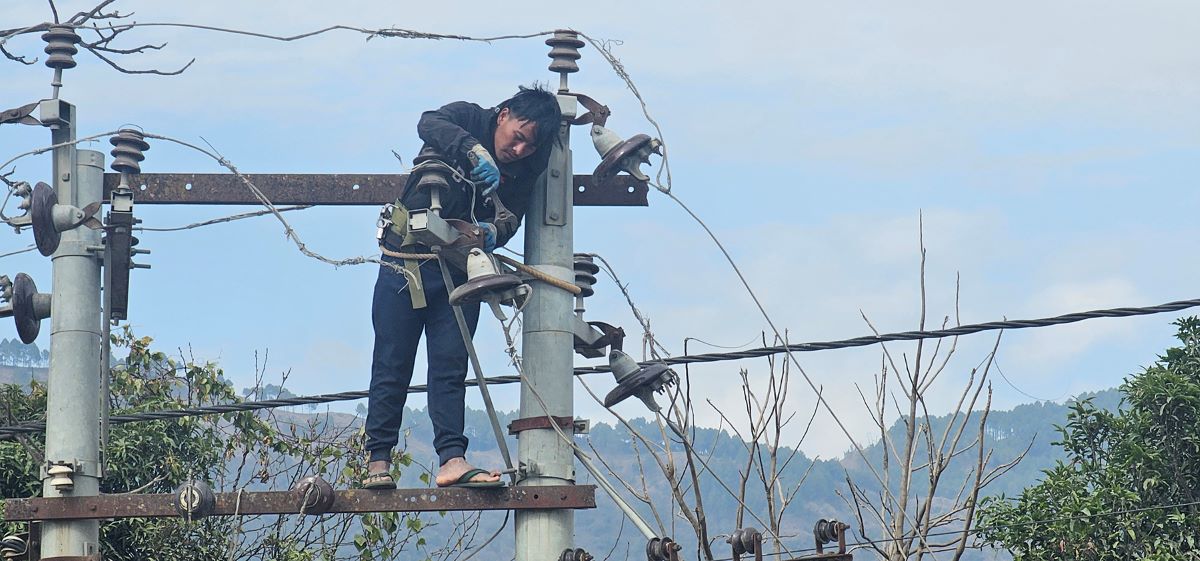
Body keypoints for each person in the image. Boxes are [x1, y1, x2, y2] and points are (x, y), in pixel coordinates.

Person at [364, 85, 562, 489]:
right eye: (518, 136)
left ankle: (452, 460)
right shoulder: (469, 118)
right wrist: (473, 149)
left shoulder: (527, 166)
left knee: (451, 366)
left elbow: (511, 218)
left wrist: (492, 231)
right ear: (503, 115)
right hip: (407, 261)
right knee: (392, 361)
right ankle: (377, 463)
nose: (520, 150)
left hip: (461, 269)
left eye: (530, 146)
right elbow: (428, 122)